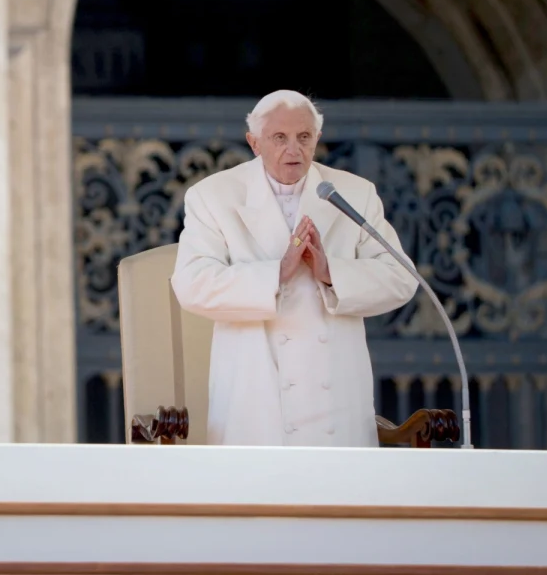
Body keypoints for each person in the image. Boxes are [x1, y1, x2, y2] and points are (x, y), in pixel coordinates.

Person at [170, 89, 417, 447]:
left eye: (304, 137)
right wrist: (277, 272)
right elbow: (192, 285)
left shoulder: (352, 192)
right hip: (256, 397)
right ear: (254, 143)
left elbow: (402, 278)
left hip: (336, 400)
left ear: (316, 138)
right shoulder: (213, 196)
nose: (293, 149)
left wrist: (330, 272)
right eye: (279, 138)